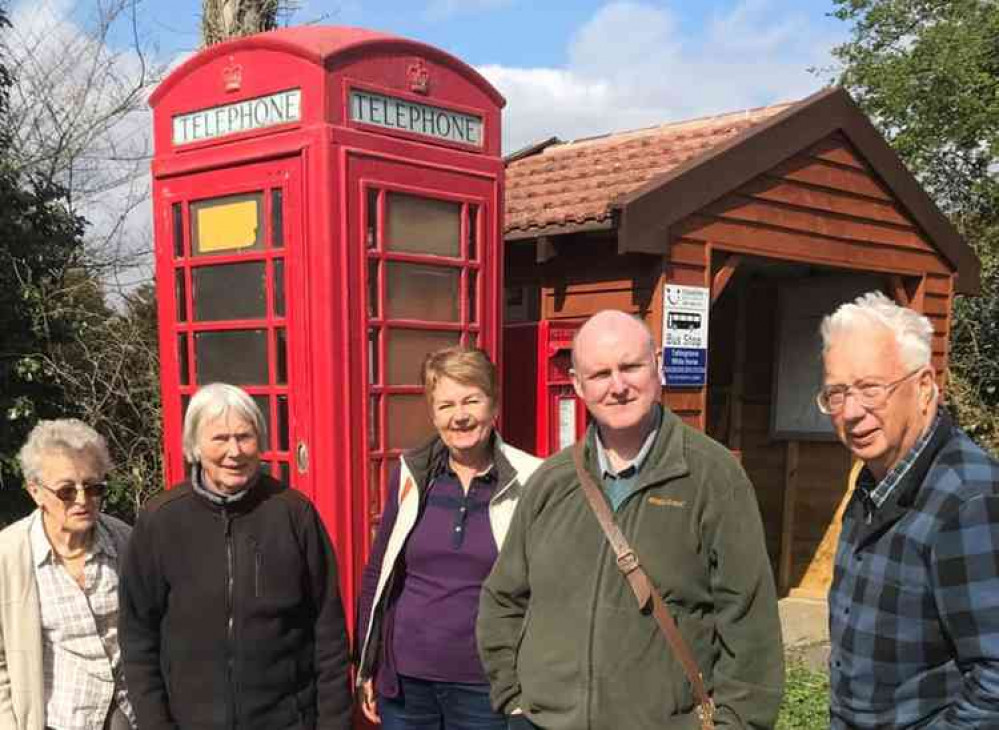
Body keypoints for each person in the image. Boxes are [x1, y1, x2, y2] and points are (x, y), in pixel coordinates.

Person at [478, 309, 784, 729]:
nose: (618, 386)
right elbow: (504, 596)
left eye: (631, 366)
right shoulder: (551, 481)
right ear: (577, 384)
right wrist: (512, 696)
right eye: (600, 373)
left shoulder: (713, 476)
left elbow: (749, 620)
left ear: (657, 365)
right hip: (544, 722)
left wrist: (738, 722)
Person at [118, 382, 352, 730]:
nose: (235, 451)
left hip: (287, 720)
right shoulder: (161, 520)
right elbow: (138, 636)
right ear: (194, 447)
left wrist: (333, 723)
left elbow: (328, 629)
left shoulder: (293, 513)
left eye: (245, 436)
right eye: (220, 438)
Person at [818, 291, 999, 729]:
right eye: (836, 393)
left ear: (923, 388)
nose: (852, 412)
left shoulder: (967, 497)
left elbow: (994, 678)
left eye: (870, 388)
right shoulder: (873, 479)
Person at [355, 346, 541, 729]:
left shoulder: (532, 479)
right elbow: (380, 571)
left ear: (494, 406)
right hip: (406, 682)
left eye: (472, 400)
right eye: (445, 405)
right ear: (433, 413)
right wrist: (367, 662)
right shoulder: (411, 474)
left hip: (488, 682)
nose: (460, 416)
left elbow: (551, 587)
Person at [0, 419, 135, 730]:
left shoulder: (125, 541)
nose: (82, 500)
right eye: (65, 491)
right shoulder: (9, 556)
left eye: (93, 487)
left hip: (127, 719)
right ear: (36, 492)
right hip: (57, 720)